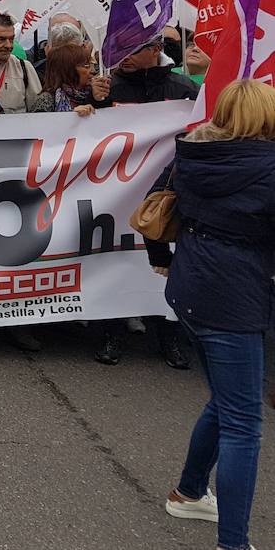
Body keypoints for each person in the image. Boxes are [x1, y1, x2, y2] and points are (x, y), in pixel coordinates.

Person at [158, 79, 275, 550]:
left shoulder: (192, 153)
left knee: (226, 402)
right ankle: (233, 543)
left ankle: (188, 491)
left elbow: (158, 199)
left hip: (192, 285)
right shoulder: (268, 167)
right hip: (236, 296)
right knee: (244, 424)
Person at [94, 35, 199, 368]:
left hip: (165, 198)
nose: (124, 53)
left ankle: (169, 337)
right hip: (115, 196)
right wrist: (90, 103)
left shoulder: (183, 89)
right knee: (113, 263)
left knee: (165, 266)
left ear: (156, 51)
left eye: (134, 48)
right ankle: (111, 331)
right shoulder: (108, 87)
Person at [0, 12, 39, 114]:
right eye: (1, 40)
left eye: (11, 39)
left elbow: (37, 111)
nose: (9, 45)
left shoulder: (23, 67)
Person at [28, 43, 112, 116]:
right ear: (68, 70)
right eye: (86, 66)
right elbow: (37, 129)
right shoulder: (47, 100)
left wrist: (97, 100)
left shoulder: (93, 94)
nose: (92, 71)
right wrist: (70, 117)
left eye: (90, 65)